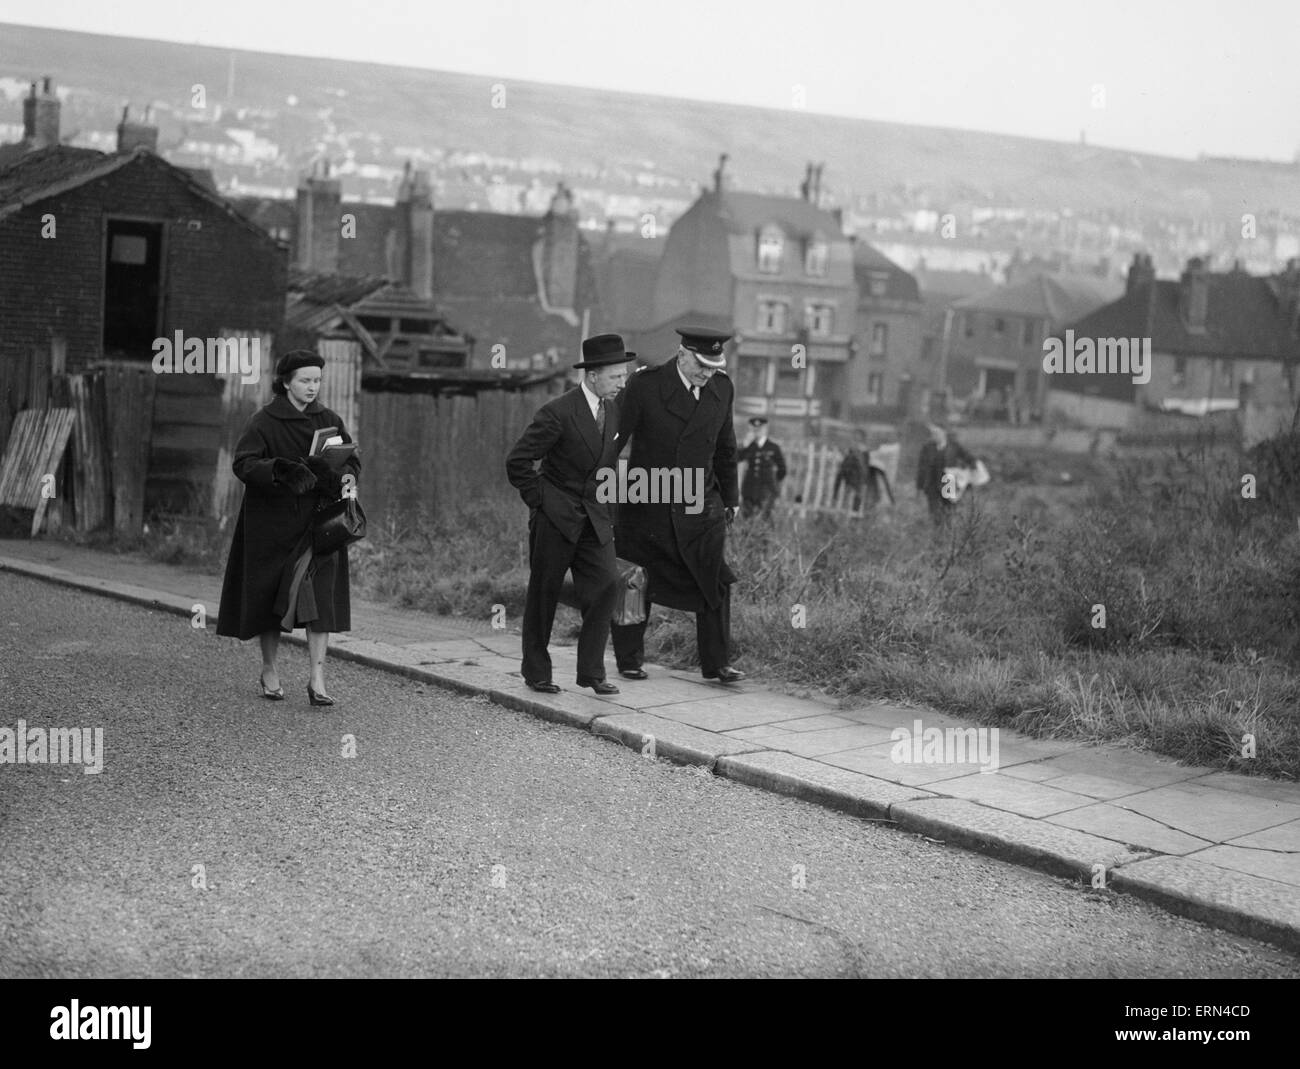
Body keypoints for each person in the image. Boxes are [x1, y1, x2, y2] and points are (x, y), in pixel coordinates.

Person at [217, 349, 360, 706]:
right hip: (273, 526)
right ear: (286, 382)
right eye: (305, 380)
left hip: (319, 526)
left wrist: (337, 474)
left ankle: (318, 679)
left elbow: (352, 463)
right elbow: (244, 464)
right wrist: (281, 470)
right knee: (270, 598)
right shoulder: (263, 421)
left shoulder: (329, 420)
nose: (313, 387)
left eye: (317, 381)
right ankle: (269, 669)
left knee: (322, 600)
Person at [611, 326, 744, 684]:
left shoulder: (722, 388)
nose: (707, 373)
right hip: (648, 499)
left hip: (699, 504)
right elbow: (614, 438)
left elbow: (725, 448)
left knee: (715, 578)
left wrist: (730, 499)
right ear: (682, 354)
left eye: (714, 366)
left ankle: (717, 664)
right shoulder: (645, 385)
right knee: (635, 580)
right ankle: (629, 659)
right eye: (701, 365)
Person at [505, 334, 634, 695]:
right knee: (544, 592)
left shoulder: (615, 410)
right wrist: (541, 501)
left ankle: (592, 672)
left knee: (608, 583)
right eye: (616, 376)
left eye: (624, 376)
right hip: (556, 519)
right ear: (593, 375)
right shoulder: (557, 412)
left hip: (595, 517)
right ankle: (537, 672)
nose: (623, 383)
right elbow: (517, 462)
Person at [915, 423, 976, 525]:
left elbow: (968, 457)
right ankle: (937, 534)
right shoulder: (927, 448)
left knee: (949, 512)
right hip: (932, 484)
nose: (935, 435)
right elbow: (921, 468)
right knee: (935, 513)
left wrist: (972, 467)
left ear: (944, 432)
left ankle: (948, 535)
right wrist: (919, 487)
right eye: (933, 433)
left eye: (937, 433)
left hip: (949, 482)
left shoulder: (953, 446)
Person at [738, 416, 786, 520]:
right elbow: (736, 459)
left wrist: (773, 483)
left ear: (765, 429)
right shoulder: (749, 446)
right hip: (749, 489)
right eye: (754, 429)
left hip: (767, 489)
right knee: (747, 518)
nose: (757, 431)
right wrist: (745, 444)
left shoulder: (773, 447)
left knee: (764, 519)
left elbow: (782, 469)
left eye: (760, 429)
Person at [834, 430, 873, 512]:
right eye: (854, 439)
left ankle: (854, 510)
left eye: (858, 440)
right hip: (847, 477)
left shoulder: (864, 453)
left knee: (856, 495)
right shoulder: (850, 451)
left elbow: (864, 469)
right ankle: (836, 497)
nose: (856, 442)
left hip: (856, 479)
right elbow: (844, 465)